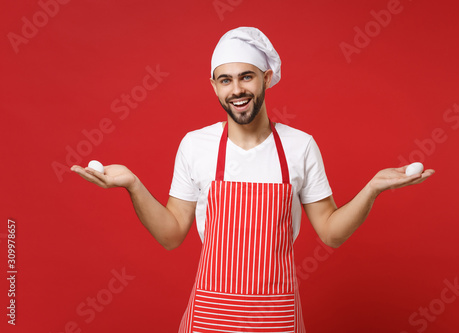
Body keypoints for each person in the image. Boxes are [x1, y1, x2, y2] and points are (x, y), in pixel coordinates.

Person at [71, 27, 434, 332]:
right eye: (225, 80)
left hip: (277, 318)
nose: (237, 90)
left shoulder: (299, 146)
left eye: (246, 76)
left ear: (266, 78)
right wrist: (133, 185)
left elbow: (331, 232)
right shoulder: (195, 145)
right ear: (213, 86)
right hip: (210, 317)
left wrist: (371, 189)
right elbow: (171, 235)